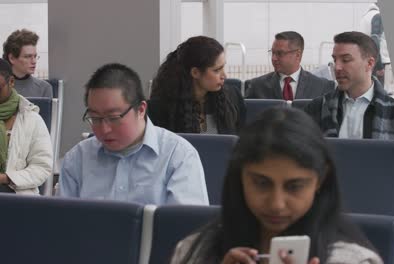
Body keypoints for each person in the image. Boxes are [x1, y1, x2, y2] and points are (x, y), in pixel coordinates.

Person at [170, 107, 383, 264]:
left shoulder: (352, 261)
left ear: (321, 179)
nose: (277, 204)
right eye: (261, 184)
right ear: (240, 177)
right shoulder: (194, 253)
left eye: (294, 187)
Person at [58, 63, 209, 205]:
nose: (104, 129)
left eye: (114, 118)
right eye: (95, 118)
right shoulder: (76, 159)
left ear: (141, 109)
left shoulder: (177, 156)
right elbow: (64, 224)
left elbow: (188, 228)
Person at [304, 31, 394, 190]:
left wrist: (375, 185)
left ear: (369, 63)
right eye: (335, 60)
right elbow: (299, 158)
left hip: (379, 201)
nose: (337, 67)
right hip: (328, 202)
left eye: (346, 60)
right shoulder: (316, 108)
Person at [147, 36, 245, 134]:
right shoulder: (160, 108)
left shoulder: (233, 98)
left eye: (223, 67)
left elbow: (241, 144)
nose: (224, 75)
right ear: (195, 72)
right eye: (217, 70)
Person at [0, 58, 52, 194]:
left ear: (11, 82)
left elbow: (42, 167)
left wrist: (7, 178)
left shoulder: (32, 120)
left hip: (18, 197)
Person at [246, 31, 335, 100]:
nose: (274, 58)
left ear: (298, 55)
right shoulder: (257, 86)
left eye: (279, 53)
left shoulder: (321, 86)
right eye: (272, 53)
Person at [360, 4, 394, 98]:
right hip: (377, 59)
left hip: (366, 57)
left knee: (369, 91)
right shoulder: (377, 16)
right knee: (378, 94)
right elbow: (375, 39)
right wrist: (379, 64)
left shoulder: (364, 18)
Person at [2, 29, 53, 98]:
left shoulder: (44, 88)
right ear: (12, 58)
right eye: (28, 56)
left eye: (35, 56)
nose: (34, 61)